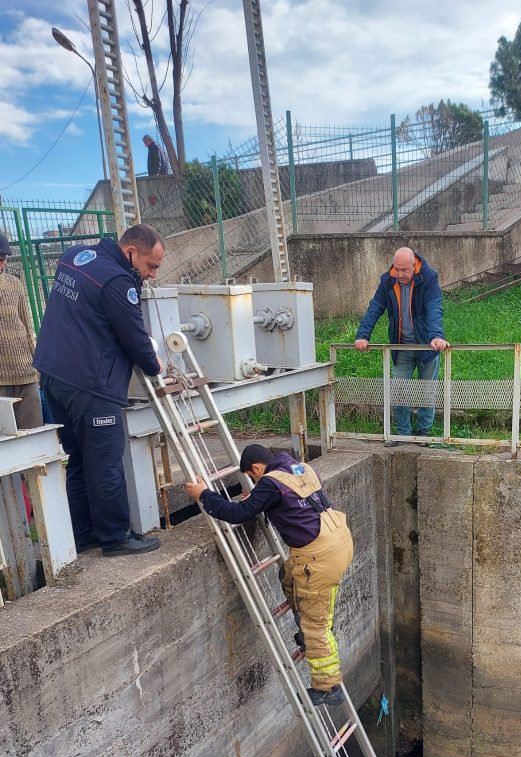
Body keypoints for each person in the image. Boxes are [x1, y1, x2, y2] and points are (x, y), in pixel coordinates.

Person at [185, 444, 354, 707]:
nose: (254, 482)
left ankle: (327, 687)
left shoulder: (270, 483)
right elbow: (293, 501)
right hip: (337, 541)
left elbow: (237, 514)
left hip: (318, 559)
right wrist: (258, 499)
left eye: (252, 477)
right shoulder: (299, 468)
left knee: (316, 626)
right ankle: (308, 632)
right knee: (288, 574)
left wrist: (204, 495)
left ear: (256, 468)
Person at [33, 224, 166, 557]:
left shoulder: (75, 256)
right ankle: (115, 537)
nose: (151, 275)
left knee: (79, 458)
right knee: (105, 461)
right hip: (90, 385)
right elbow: (134, 337)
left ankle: (83, 533)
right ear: (131, 252)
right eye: (150, 266)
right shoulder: (118, 282)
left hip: (53, 376)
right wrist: (155, 365)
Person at [354, 246, 448, 445]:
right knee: (398, 390)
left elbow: (434, 309)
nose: (400, 274)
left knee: (426, 391)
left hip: (426, 346)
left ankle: (424, 433)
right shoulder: (388, 281)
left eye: (404, 270)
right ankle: (402, 433)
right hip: (401, 346)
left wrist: (436, 336)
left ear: (414, 266)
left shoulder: (428, 278)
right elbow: (375, 308)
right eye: (397, 269)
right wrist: (362, 335)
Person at [0, 233, 43, 430]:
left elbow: (26, 327)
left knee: (35, 434)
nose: (2, 264)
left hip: (26, 374)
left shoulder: (14, 284)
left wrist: (37, 365)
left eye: (3, 259)